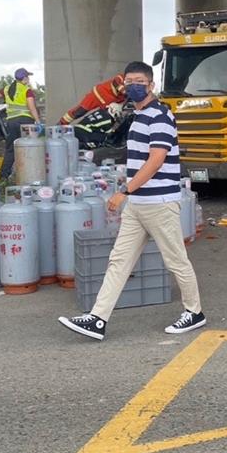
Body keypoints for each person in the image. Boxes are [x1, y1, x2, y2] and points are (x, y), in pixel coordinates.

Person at [58, 61, 205, 340]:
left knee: (175, 260)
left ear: (151, 85)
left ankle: (194, 312)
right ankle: (97, 318)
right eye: (129, 81)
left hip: (160, 202)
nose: (133, 86)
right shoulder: (137, 116)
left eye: (139, 81)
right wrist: (130, 193)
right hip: (139, 205)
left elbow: (157, 159)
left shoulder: (160, 115)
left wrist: (124, 191)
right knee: (119, 261)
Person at [0, 68, 40, 179]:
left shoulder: (7, 89)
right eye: (28, 77)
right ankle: (28, 175)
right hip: (26, 122)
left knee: (11, 149)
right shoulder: (27, 90)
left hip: (11, 122)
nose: (29, 79)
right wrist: (38, 121)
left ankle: (3, 176)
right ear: (24, 78)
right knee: (28, 147)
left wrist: (7, 97)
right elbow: (31, 107)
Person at [59, 74, 126, 125]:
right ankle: (60, 125)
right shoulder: (123, 77)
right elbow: (116, 81)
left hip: (110, 103)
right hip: (98, 95)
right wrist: (126, 91)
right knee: (79, 111)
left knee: (105, 120)